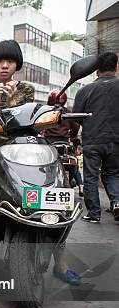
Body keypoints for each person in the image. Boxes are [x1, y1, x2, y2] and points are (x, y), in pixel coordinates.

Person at [0, 39, 83, 286]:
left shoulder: (27, 90)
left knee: (57, 200)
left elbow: (28, 120)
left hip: (25, 149)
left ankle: (60, 263)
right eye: (0, 61)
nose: (5, 65)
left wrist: (11, 103)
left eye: (10, 61)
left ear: (16, 65)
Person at [72, 52, 119, 223]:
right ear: (116, 67)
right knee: (113, 173)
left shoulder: (85, 90)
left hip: (93, 139)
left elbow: (76, 116)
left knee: (91, 175)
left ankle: (94, 213)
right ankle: (117, 202)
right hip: (116, 139)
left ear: (96, 70)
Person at [42, 90, 82, 195]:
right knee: (74, 161)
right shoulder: (67, 112)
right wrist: (71, 135)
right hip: (65, 144)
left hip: (49, 143)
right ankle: (78, 183)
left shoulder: (46, 111)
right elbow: (76, 127)